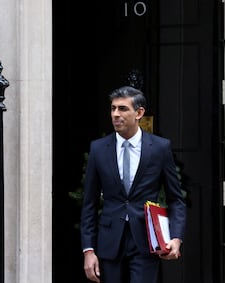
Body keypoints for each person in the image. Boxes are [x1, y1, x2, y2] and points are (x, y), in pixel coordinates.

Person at [80, 86, 186, 283]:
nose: (115, 114)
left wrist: (176, 238)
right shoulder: (99, 149)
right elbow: (89, 203)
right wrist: (88, 250)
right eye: (113, 109)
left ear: (139, 113)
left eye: (122, 109)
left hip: (146, 241)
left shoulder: (160, 148)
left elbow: (176, 199)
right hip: (109, 242)